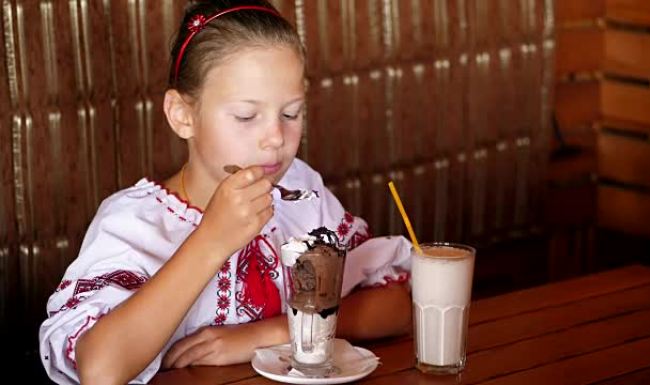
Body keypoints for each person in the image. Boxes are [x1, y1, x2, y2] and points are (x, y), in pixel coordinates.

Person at [39, 1, 413, 384]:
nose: (275, 139)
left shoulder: (299, 193)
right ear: (183, 115)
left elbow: (396, 307)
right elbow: (100, 370)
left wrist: (267, 334)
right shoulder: (133, 224)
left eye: (291, 114)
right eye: (246, 117)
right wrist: (212, 240)